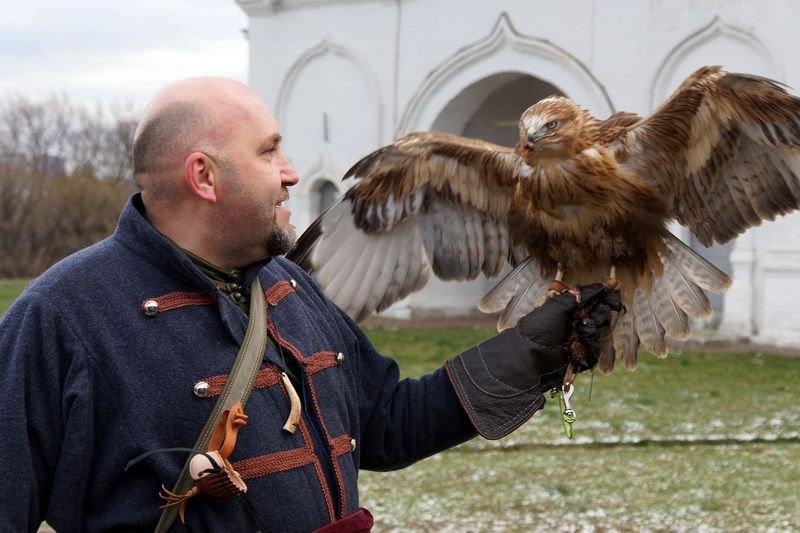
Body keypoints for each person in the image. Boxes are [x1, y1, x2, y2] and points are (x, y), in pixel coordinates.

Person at [0, 78, 619, 532]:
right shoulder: (62, 320)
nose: (291, 173)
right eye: (269, 152)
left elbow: (388, 427)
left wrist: (535, 348)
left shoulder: (290, 288)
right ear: (205, 176)